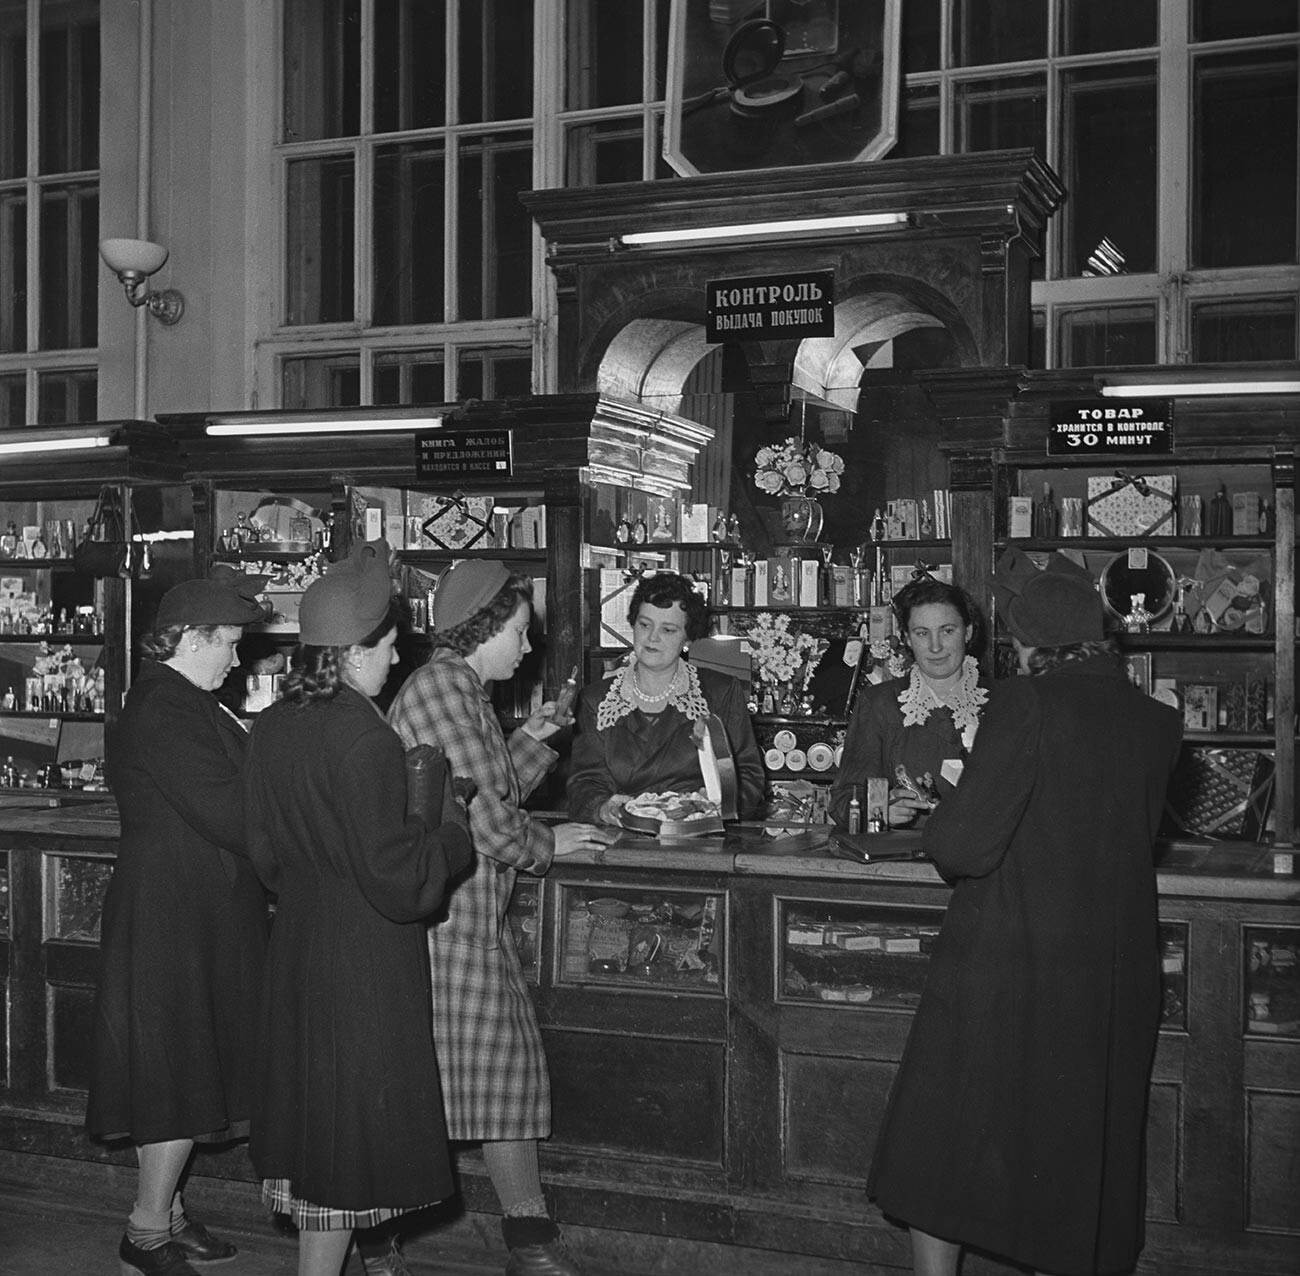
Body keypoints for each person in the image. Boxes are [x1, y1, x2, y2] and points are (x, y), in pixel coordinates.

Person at [867, 550, 1183, 1276]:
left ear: (1027, 642)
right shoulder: (1156, 721)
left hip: (1009, 958)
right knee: (1076, 1159)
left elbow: (962, 848)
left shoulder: (1024, 703)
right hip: (1109, 970)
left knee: (940, 1136)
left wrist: (962, 791)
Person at [244, 540, 475, 1276]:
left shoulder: (275, 724)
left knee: (323, 1138)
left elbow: (266, 856)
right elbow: (400, 881)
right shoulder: (365, 738)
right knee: (350, 1145)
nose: (396, 659)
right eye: (387, 645)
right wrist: (449, 829)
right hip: (364, 960)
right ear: (351, 653)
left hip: (302, 946)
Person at [387, 559, 614, 1276]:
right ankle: (517, 1239)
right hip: (445, 922)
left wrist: (537, 736)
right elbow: (484, 815)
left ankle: (502, 1236)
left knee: (470, 1077)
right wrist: (548, 842)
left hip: (458, 915)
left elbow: (483, 782)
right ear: (483, 629)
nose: (527, 645)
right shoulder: (444, 687)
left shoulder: (459, 687)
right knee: (486, 1073)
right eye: (519, 631)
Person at [87, 572, 271, 1276]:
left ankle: (170, 1212)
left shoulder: (189, 701)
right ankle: (145, 1234)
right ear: (193, 639)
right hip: (172, 915)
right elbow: (230, 813)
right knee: (172, 1075)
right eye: (228, 643)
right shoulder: (167, 710)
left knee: (187, 1068)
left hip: (197, 910)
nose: (236, 658)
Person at [567, 570, 764, 826]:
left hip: (699, 843)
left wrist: (720, 804)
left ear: (687, 638)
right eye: (644, 624)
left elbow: (748, 775)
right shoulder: (596, 700)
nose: (652, 638)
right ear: (633, 624)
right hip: (621, 844)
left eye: (668, 629)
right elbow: (585, 782)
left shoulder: (720, 691)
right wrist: (602, 808)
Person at [830, 577, 988, 829]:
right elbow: (843, 799)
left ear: (967, 632)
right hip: (905, 861)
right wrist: (881, 809)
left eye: (947, 631)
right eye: (922, 633)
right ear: (906, 638)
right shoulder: (879, 704)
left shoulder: (1003, 701)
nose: (935, 647)